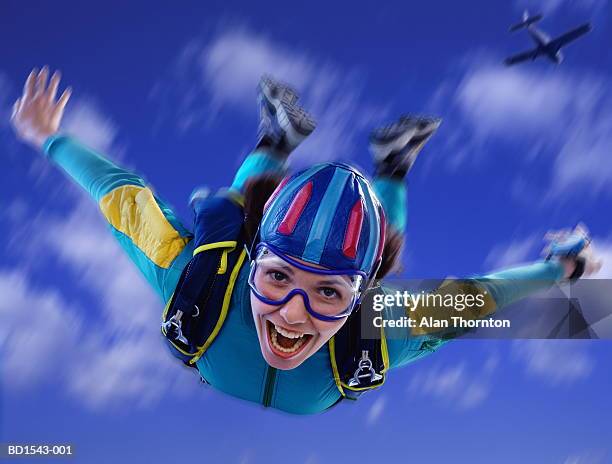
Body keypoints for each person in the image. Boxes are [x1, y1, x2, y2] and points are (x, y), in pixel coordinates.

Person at [10, 67, 602, 414]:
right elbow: (121, 197)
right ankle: (313, 146)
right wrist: (50, 138)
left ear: (354, 297)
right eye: (277, 277)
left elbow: (477, 298)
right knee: (228, 211)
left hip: (316, 290)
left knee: (362, 262)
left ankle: (340, 152)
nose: (293, 314)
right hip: (248, 247)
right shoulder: (202, 275)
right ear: (251, 263)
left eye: (326, 292)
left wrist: (558, 271)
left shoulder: (372, 323)